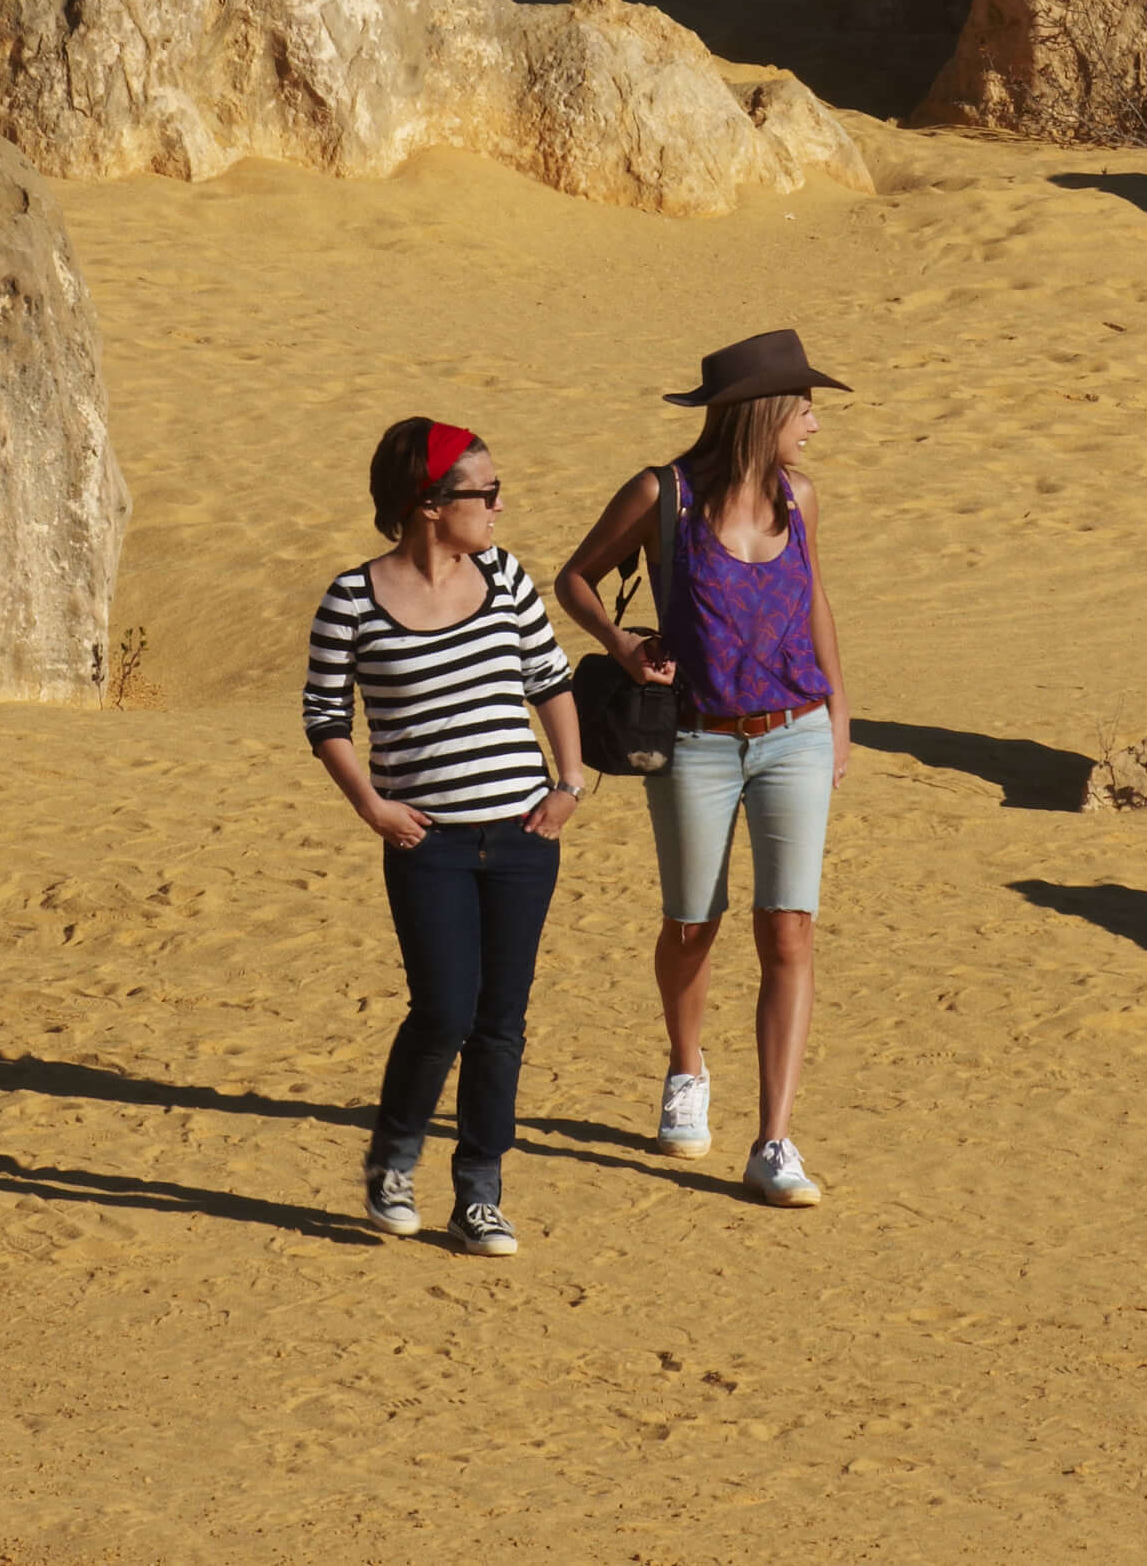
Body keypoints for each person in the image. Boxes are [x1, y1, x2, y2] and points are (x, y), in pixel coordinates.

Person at [554, 328, 851, 1211]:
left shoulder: (801, 497)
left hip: (794, 731)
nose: (814, 424)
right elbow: (576, 576)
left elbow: (816, 600)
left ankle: (774, 1140)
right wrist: (620, 642)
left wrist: (840, 715)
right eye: (804, 407)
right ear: (762, 413)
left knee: (789, 928)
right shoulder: (664, 495)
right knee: (693, 922)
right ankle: (687, 1069)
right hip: (695, 741)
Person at [301, 416, 588, 1255]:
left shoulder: (503, 576)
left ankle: (480, 1193)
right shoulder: (352, 599)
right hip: (425, 845)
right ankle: (393, 1159)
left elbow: (551, 680)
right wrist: (372, 807)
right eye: (484, 493)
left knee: (502, 1019)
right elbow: (325, 717)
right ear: (430, 504)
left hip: (524, 836)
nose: (499, 507)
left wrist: (568, 784)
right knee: (442, 1012)